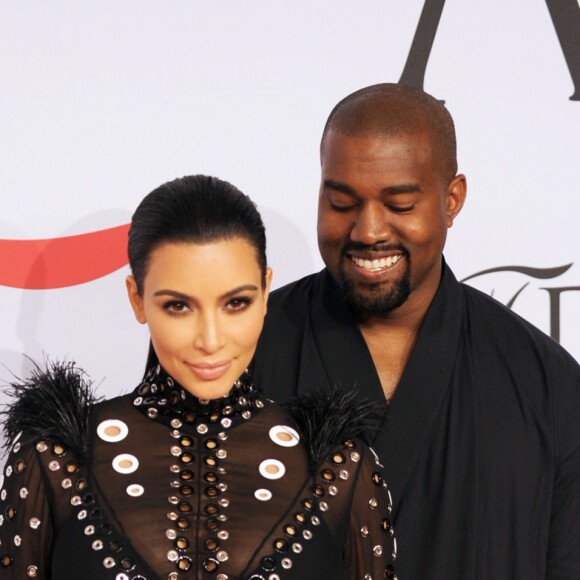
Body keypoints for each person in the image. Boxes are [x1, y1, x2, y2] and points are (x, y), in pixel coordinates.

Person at [253, 83, 580, 578]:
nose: (368, 231)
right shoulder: (240, 351)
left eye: (400, 205)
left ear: (452, 200)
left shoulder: (548, 385)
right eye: (341, 203)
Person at [0, 175, 397, 579]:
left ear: (265, 293)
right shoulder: (54, 459)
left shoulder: (339, 467)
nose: (210, 340)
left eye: (236, 303)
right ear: (137, 299)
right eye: (178, 306)